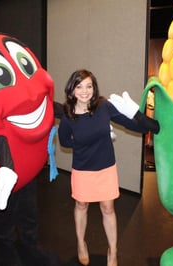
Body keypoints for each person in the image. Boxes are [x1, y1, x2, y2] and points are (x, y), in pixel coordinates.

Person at [58, 69, 159, 266]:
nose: (85, 91)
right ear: (72, 90)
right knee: (81, 205)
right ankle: (81, 243)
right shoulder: (68, 114)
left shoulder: (104, 106)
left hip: (105, 167)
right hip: (82, 168)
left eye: (89, 86)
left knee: (107, 208)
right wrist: (81, 144)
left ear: (94, 88)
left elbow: (136, 127)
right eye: (79, 86)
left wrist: (138, 115)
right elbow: (64, 141)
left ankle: (113, 251)